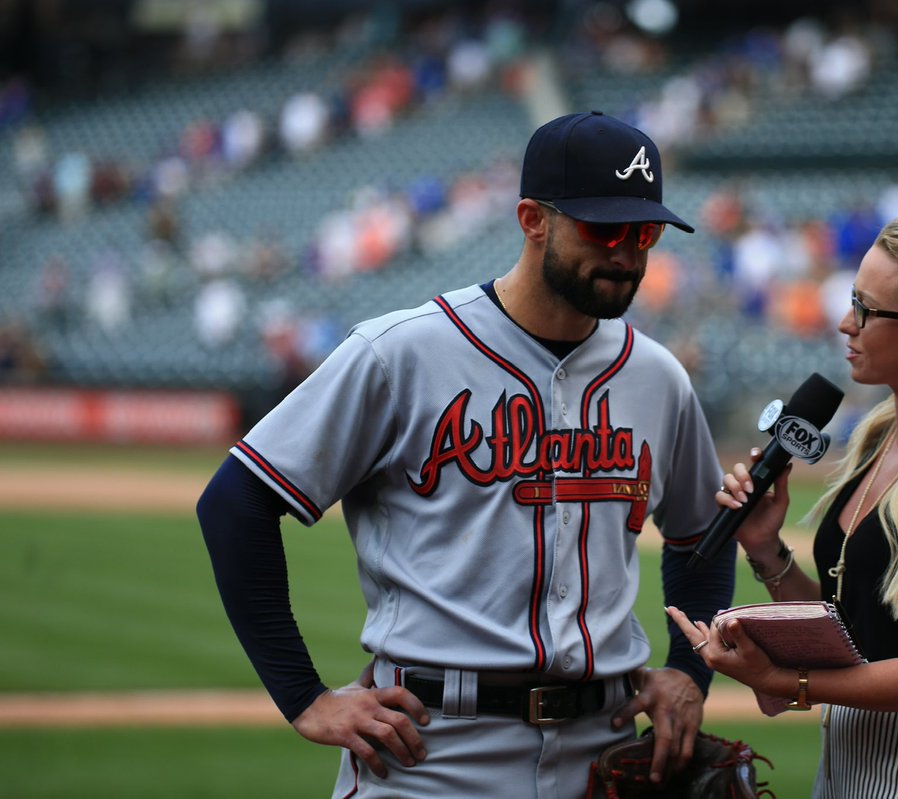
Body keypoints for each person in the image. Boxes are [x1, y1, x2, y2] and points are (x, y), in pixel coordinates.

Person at [196, 110, 735, 799]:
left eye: (645, 231)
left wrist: (690, 669)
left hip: (602, 751)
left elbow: (700, 535)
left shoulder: (657, 376)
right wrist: (304, 696)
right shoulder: (401, 352)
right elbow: (235, 502)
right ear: (532, 219)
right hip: (431, 755)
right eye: (604, 228)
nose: (627, 251)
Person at [670, 207, 898, 797]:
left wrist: (788, 680)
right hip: (849, 763)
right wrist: (768, 552)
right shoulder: (879, 441)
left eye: (866, 308)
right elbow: (856, 632)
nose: (846, 322)